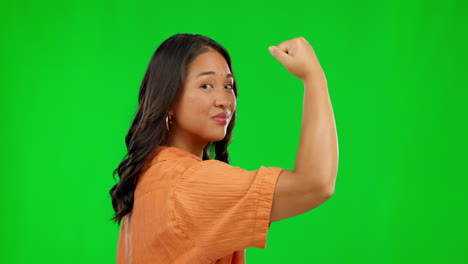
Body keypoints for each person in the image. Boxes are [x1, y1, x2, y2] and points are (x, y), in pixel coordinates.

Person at [109, 33, 338, 264]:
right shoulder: (188, 182)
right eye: (206, 85)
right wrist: (313, 77)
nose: (224, 100)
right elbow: (315, 183)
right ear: (169, 101)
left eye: (228, 85)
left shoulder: (152, 176)